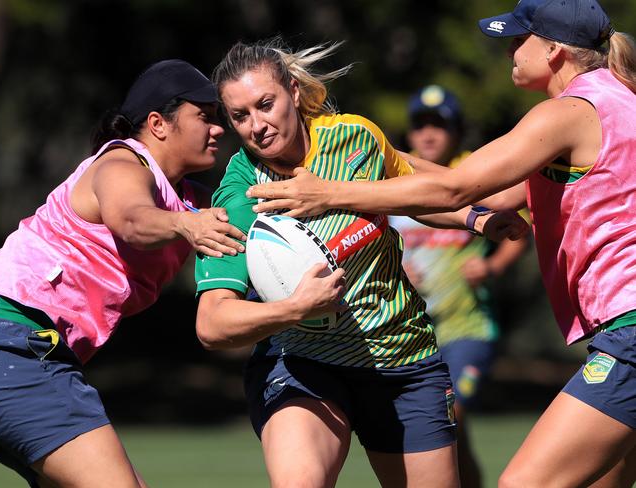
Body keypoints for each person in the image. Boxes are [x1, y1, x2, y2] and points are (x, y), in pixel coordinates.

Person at [246, 0, 636, 485]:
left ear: (555, 50)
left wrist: (328, 192)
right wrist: (375, 156)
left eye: (519, 40)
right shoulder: (617, 100)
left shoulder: (570, 111)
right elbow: (489, 189)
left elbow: (457, 189)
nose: (510, 51)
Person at [194, 39, 526, 488]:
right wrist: (295, 309)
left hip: (402, 358)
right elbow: (212, 324)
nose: (257, 125)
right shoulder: (241, 193)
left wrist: (475, 220)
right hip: (304, 363)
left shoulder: (355, 137)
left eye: (265, 104)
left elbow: (411, 192)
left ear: (293, 90)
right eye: (240, 116)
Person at [0, 59, 247, 487]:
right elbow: (132, 220)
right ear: (159, 124)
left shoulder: (187, 198)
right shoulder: (121, 165)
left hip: (17, 349)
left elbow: (240, 213)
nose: (219, 129)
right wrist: (187, 225)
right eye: (205, 116)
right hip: (13, 346)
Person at [390, 84, 528, 488]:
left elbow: (523, 222)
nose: (428, 135)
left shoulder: (471, 175)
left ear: (455, 131)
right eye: (420, 126)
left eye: (439, 125)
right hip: (413, 333)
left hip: (467, 328)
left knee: (450, 413)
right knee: (447, 433)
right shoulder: (395, 179)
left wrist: (493, 267)